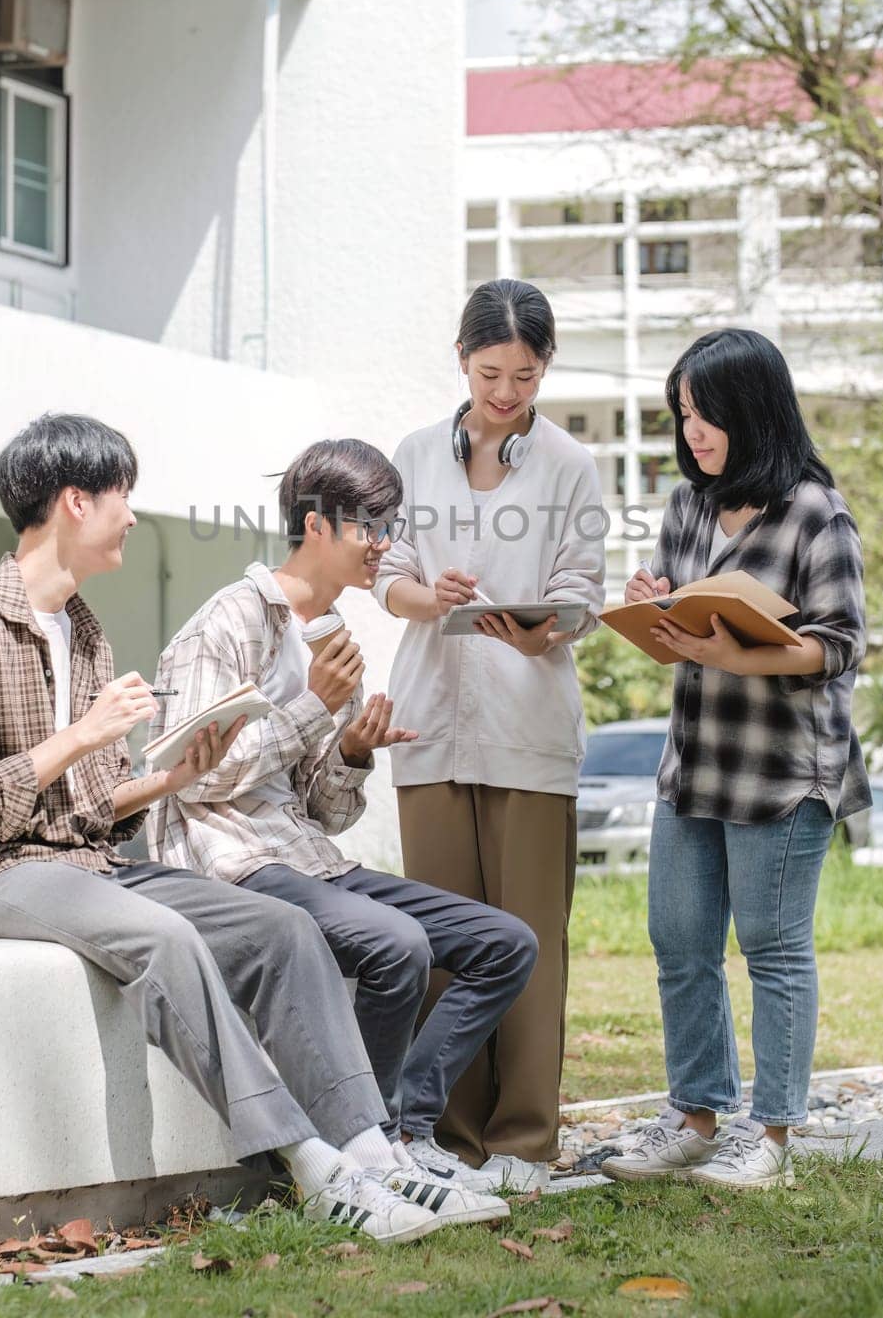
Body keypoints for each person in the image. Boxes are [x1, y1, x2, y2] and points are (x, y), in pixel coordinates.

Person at [0, 413, 449, 1246]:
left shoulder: (82, 630)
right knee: (163, 937)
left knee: (281, 929)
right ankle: (308, 1163)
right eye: (123, 497)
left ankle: (367, 1145)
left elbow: (92, 804)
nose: (134, 516)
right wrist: (79, 735)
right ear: (75, 502)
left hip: (75, 858)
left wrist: (175, 777)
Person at [148, 438, 535, 1220]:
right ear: (317, 525)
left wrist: (353, 751)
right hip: (227, 855)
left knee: (505, 944)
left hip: (303, 851)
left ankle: (401, 1132)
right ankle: (372, 1147)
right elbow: (199, 778)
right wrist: (314, 710)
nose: (383, 546)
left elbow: (324, 810)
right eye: (370, 528)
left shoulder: (330, 639)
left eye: (389, 527)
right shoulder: (226, 622)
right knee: (396, 945)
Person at [600, 328, 870, 1190]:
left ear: (750, 410)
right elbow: (680, 635)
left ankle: (774, 1138)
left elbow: (837, 646)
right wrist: (654, 611)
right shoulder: (686, 507)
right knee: (678, 942)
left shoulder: (813, 511)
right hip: (696, 762)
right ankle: (692, 1118)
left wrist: (735, 654)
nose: (692, 432)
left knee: (771, 948)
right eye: (681, 414)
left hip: (785, 770)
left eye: (704, 413)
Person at [373, 278, 607, 1191]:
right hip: (428, 720)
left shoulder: (568, 464)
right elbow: (387, 567)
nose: (505, 393)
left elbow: (584, 585)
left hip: (528, 725)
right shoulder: (413, 455)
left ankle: (521, 1143)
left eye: (523, 375)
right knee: (439, 946)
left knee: (528, 942)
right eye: (489, 373)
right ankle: (445, 1135)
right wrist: (425, 598)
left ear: (544, 367)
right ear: (461, 362)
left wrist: (553, 624)